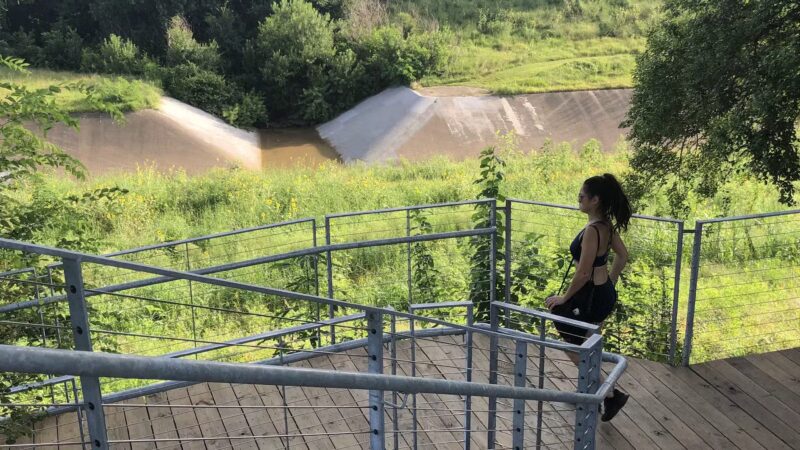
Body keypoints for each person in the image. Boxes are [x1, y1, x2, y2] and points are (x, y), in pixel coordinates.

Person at [544, 173, 631, 422]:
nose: (578, 199)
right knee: (588, 344)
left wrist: (563, 298)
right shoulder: (606, 226)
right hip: (602, 294)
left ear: (595, 200)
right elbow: (622, 256)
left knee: (574, 343)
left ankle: (608, 393)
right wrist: (611, 283)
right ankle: (591, 390)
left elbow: (583, 272)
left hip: (590, 295)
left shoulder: (593, 230)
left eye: (582, 196)